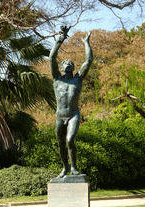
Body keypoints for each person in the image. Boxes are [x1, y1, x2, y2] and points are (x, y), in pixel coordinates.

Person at [49, 26, 93, 178]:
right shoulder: (57, 79)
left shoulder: (78, 79)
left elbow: (88, 61)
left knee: (69, 140)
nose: (67, 64)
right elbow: (51, 58)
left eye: (70, 63)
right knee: (61, 143)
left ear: (73, 67)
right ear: (61, 67)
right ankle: (65, 168)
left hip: (73, 114)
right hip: (60, 116)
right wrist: (60, 39)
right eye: (65, 63)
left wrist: (86, 43)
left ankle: (74, 167)